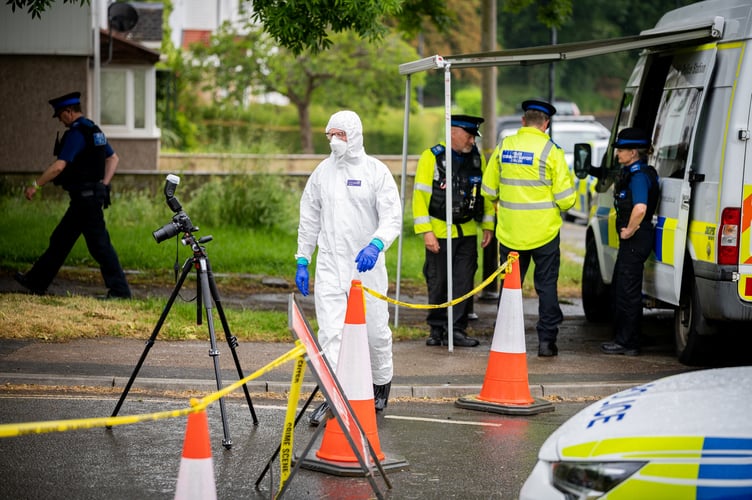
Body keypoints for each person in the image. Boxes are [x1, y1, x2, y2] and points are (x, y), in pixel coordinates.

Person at [295, 110, 402, 425]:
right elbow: (309, 216)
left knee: (375, 333)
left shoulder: (375, 172)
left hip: (366, 267)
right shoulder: (322, 173)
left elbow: (392, 216)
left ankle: (380, 384)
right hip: (330, 265)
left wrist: (377, 243)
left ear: (354, 135)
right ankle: (335, 396)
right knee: (331, 334)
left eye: (340, 134)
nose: (334, 141)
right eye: (330, 134)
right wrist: (303, 258)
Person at [14, 92, 131, 299]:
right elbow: (113, 158)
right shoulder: (94, 130)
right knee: (61, 239)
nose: (60, 119)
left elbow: (59, 167)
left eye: (60, 115)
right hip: (87, 198)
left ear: (69, 112)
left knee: (100, 246)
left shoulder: (77, 134)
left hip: (85, 200)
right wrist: (103, 184)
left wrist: (35, 185)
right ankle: (37, 282)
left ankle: (121, 292)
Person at [481, 99, 575, 357]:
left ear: (523, 121)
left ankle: (505, 339)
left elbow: (488, 190)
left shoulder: (504, 147)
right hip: (544, 234)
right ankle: (546, 343)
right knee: (546, 287)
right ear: (546, 124)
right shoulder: (551, 151)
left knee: (510, 287)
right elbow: (567, 199)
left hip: (510, 234)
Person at [412, 115, 495, 348]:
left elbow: (485, 195)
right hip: (439, 231)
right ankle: (436, 329)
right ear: (453, 133)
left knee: (463, 282)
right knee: (438, 282)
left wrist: (488, 225)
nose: (472, 140)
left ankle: (456, 329)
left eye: (473, 136)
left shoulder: (478, 159)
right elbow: (420, 197)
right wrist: (426, 231)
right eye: (468, 135)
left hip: (467, 232)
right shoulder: (432, 157)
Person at [601, 128, 660, 356]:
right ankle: (628, 336)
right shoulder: (639, 173)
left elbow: (641, 207)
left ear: (633, 153)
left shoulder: (638, 177)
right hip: (636, 239)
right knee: (622, 288)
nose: (617, 155)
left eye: (621, 150)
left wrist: (629, 230)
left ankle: (628, 343)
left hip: (636, 238)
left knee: (628, 292)